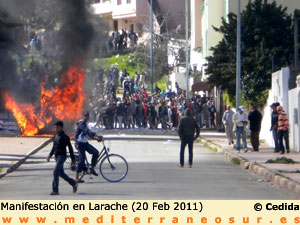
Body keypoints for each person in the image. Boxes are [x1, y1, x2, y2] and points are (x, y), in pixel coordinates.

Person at [47, 121, 77, 195]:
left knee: (55, 171)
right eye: (55, 127)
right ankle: (73, 183)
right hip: (57, 157)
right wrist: (50, 155)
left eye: (57, 127)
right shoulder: (56, 136)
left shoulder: (65, 137)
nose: (56, 128)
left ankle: (55, 190)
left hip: (62, 156)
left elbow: (70, 148)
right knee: (61, 173)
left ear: (61, 127)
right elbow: (54, 147)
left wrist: (73, 160)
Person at [75, 112, 103, 182]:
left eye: (87, 116)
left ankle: (92, 168)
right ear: (83, 117)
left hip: (85, 143)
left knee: (96, 152)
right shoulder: (81, 124)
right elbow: (87, 131)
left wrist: (96, 139)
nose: (86, 117)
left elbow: (88, 135)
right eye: (85, 116)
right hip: (79, 144)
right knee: (82, 159)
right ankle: (76, 177)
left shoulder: (86, 124)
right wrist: (96, 134)